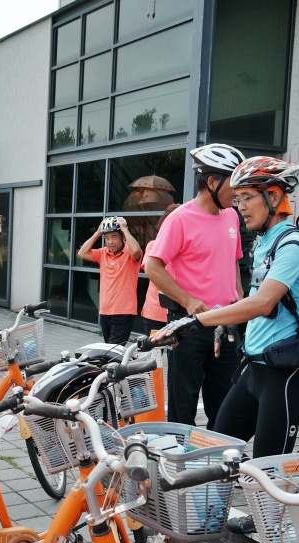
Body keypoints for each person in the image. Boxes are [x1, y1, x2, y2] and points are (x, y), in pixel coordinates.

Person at [151, 156, 299, 543]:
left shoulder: (294, 244)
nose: (238, 207)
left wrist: (197, 318)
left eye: (246, 198)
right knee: (211, 449)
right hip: (254, 372)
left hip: (284, 377)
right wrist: (223, 325)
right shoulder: (265, 241)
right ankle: (189, 529)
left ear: (274, 196)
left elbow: (262, 302)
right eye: (236, 198)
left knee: (267, 481)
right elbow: (249, 301)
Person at [146, 143, 246, 428]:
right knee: (183, 404)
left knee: (225, 403)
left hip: (226, 324)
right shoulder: (180, 218)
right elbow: (153, 266)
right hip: (188, 325)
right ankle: (179, 463)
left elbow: (234, 259)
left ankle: (217, 463)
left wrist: (238, 292)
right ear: (212, 181)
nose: (238, 193)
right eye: (233, 184)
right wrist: (188, 300)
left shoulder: (231, 217)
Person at [77, 216, 143, 344]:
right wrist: (98, 233)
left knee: (113, 349)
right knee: (110, 349)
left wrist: (124, 229)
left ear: (122, 238)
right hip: (105, 310)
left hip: (124, 311)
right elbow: (82, 252)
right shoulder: (103, 253)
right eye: (107, 238)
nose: (110, 242)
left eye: (114, 237)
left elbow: (137, 250)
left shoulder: (130, 254)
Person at [141, 203, 180, 333]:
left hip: (180, 312)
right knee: (153, 353)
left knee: (175, 353)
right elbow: (150, 269)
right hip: (154, 312)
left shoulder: (188, 249)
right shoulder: (153, 245)